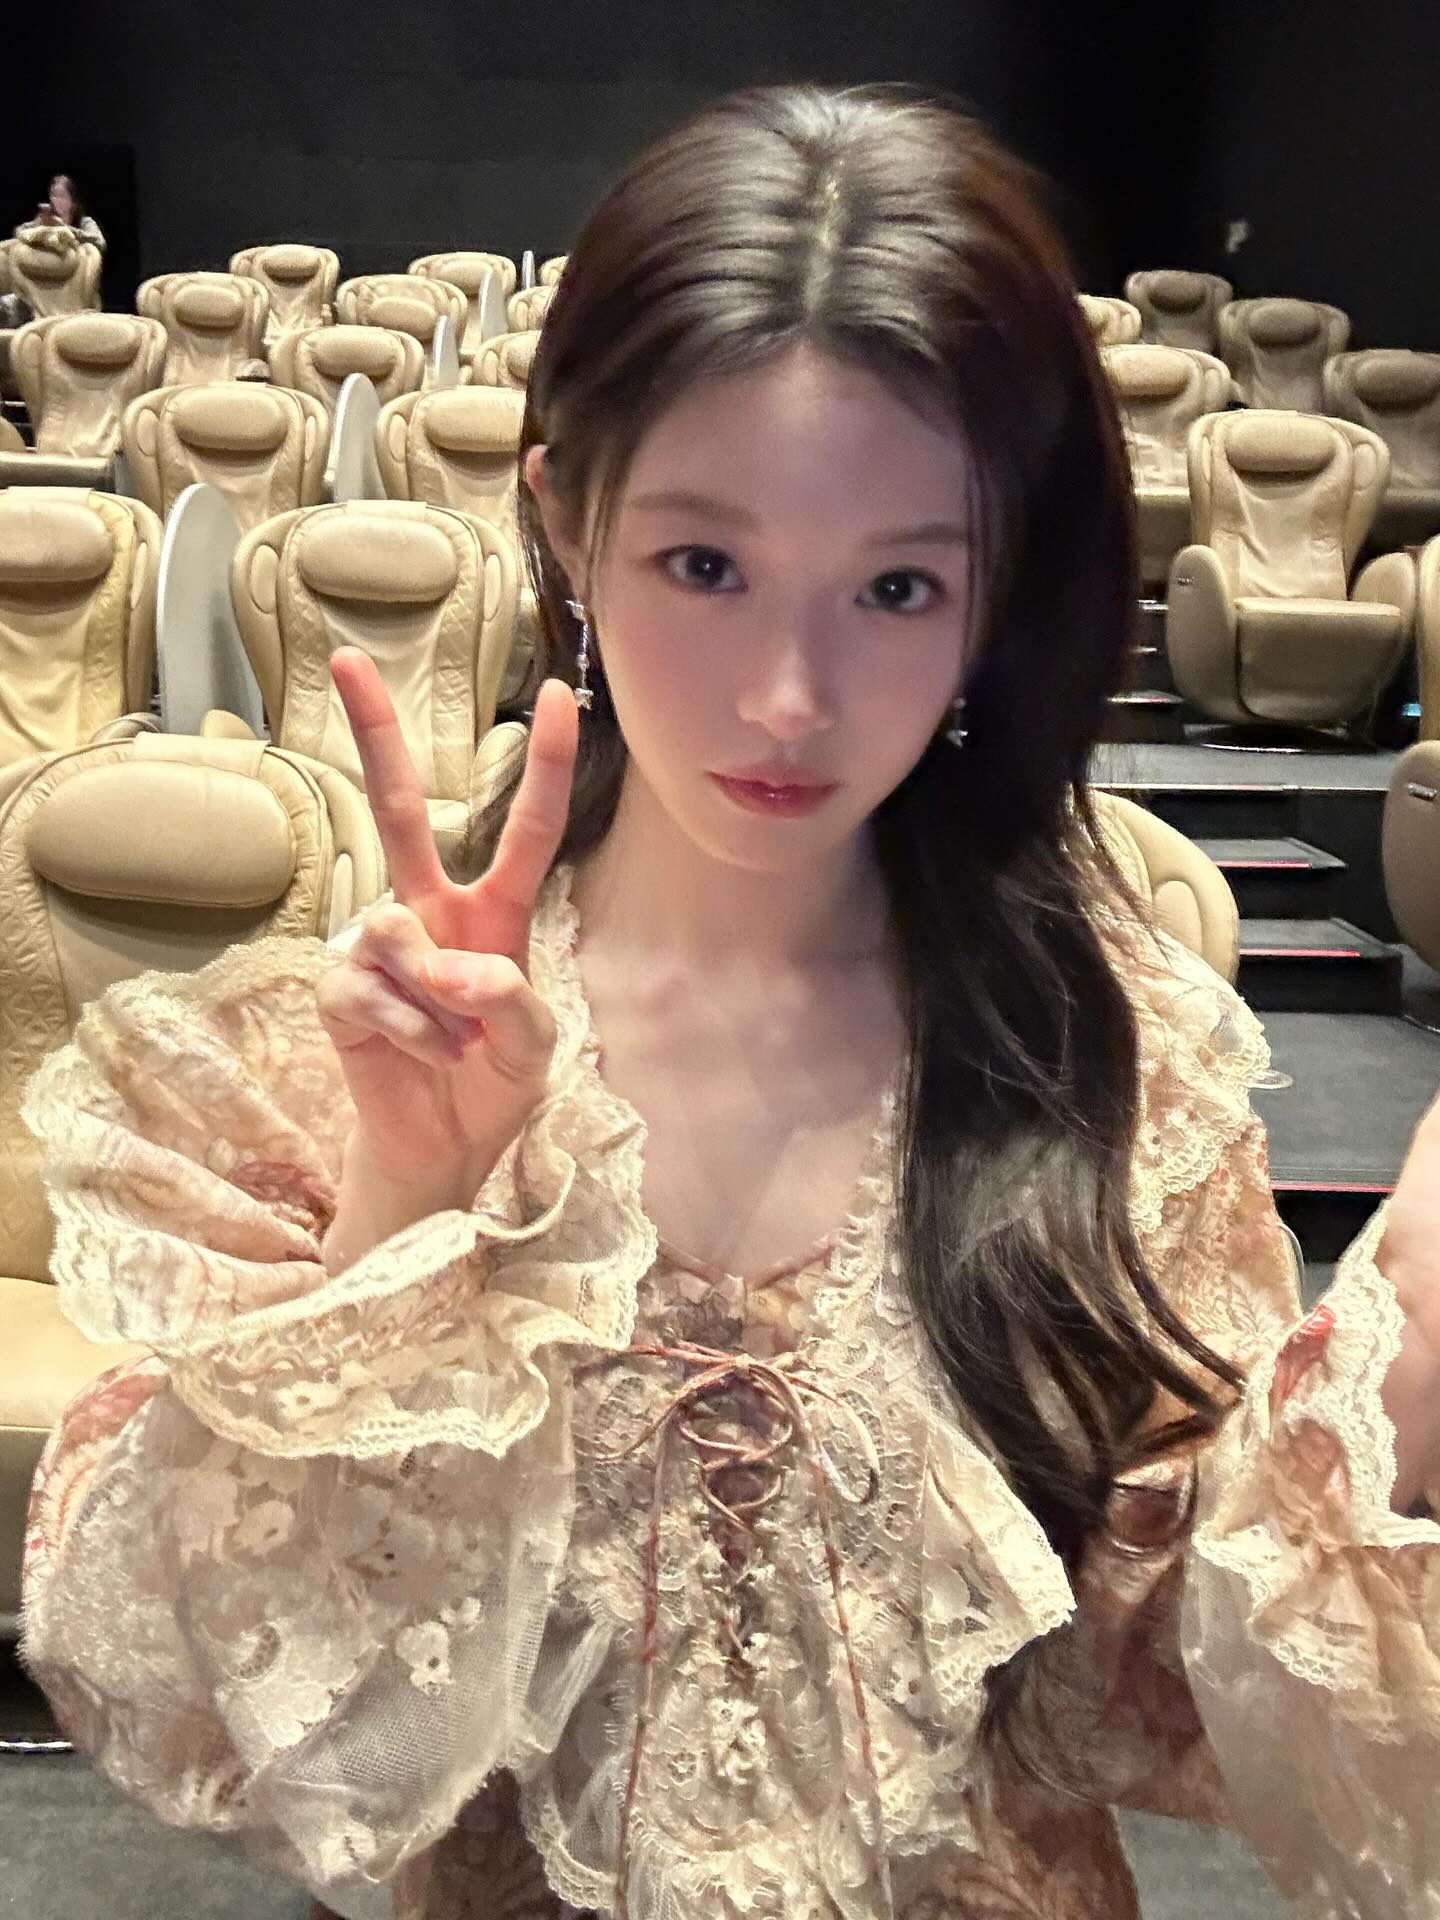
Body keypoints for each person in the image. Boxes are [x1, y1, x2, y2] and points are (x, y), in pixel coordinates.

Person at [15, 81, 1440, 1920]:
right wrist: (410, 1214)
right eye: (705, 566)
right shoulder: (350, 1060)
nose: (787, 697)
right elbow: (264, 1730)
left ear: (994, 593)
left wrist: (1403, 1369)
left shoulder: (1108, 1054)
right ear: (566, 523)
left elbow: (1159, 1698)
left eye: (898, 586)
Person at [13, 172, 107, 253]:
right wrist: (38, 225)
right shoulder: (46, 218)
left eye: (62, 196)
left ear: (73, 202)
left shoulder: (84, 221)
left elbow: (100, 242)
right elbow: (18, 231)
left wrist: (64, 228)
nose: (56, 201)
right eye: (53, 195)